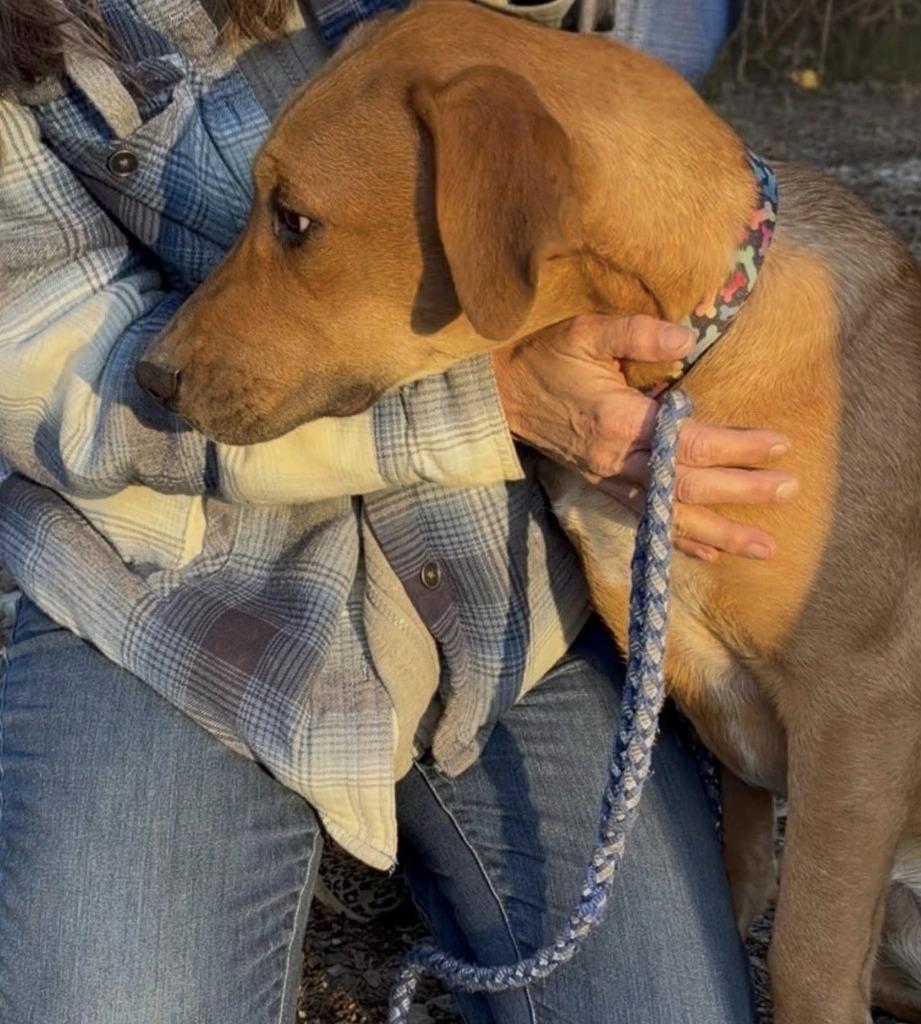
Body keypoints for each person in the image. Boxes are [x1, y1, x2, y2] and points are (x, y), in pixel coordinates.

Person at [0, 1, 791, 1021]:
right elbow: (51, 365)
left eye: (288, 227)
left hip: (497, 585)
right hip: (169, 602)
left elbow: (632, 45)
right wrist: (493, 397)